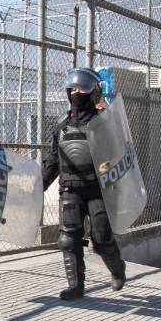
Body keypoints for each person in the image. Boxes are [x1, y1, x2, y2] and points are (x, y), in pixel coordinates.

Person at [40, 68, 126, 300]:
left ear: (94, 92)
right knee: (68, 239)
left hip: (98, 189)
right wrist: (38, 187)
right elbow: (52, 161)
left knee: (101, 238)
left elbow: (119, 155)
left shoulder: (104, 122)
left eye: (83, 88)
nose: (77, 93)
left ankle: (117, 269)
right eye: (74, 89)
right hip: (70, 188)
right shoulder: (61, 126)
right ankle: (75, 286)